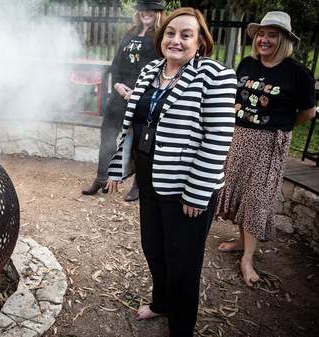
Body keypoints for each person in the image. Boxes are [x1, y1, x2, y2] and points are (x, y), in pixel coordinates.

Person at [106, 7, 237, 337]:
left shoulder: (216, 76)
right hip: (150, 178)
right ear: (161, 37)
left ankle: (181, 326)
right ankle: (162, 302)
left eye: (185, 34)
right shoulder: (151, 69)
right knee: (154, 246)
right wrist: (118, 167)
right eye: (170, 33)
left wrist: (198, 191)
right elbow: (133, 123)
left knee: (183, 261)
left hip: (187, 186)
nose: (175, 40)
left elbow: (217, 139)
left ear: (200, 42)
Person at [216, 11, 316, 287]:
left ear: (283, 40)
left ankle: (248, 258)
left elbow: (308, 112)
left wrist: (282, 126)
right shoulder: (247, 64)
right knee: (238, 194)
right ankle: (240, 240)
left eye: (272, 35)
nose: (265, 39)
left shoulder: (297, 73)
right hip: (239, 138)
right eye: (262, 34)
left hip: (269, 143)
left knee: (257, 198)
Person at [82, 0, 166, 202]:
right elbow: (116, 62)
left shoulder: (161, 36)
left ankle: (138, 185)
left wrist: (139, 91)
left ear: (159, 12)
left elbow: (161, 67)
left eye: (151, 9)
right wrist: (117, 84)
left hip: (143, 96)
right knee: (108, 135)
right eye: (143, 9)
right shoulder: (130, 32)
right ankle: (102, 177)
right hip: (120, 94)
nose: (146, 12)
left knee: (138, 141)